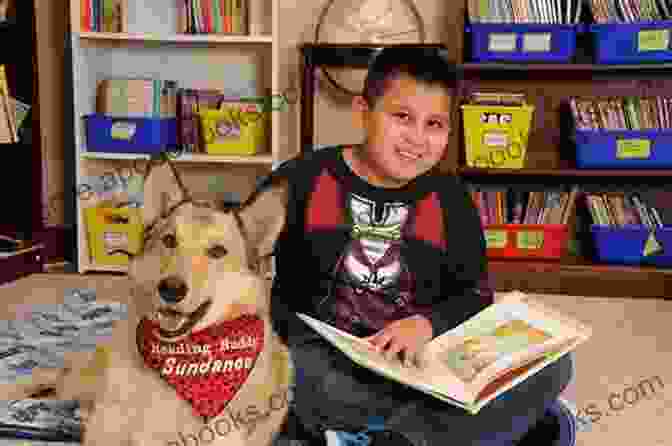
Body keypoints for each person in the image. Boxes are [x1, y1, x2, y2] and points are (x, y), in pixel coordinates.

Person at [249, 47, 573, 446]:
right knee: (290, 374)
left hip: (423, 369)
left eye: (434, 124)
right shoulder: (303, 178)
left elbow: (474, 296)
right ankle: (458, 432)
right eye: (401, 117)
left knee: (552, 366)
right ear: (362, 111)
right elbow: (244, 249)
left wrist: (426, 325)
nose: (417, 139)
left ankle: (389, 438)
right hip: (328, 364)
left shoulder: (451, 199)